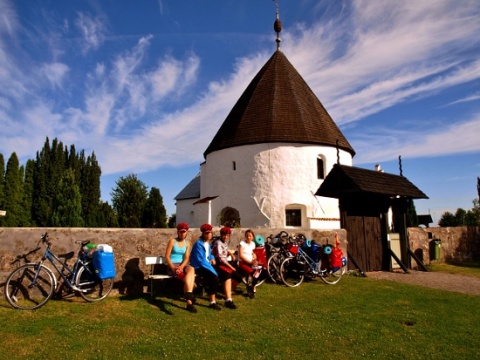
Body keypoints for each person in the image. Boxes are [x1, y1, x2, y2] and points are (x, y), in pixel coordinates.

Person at [165, 222, 197, 313]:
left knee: (191, 269)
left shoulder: (187, 243)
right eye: (181, 232)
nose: (182, 233)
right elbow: (167, 256)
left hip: (182, 264)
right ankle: (189, 303)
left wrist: (182, 267)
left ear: (187, 232)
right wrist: (173, 267)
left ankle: (188, 294)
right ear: (178, 232)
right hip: (173, 264)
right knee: (190, 280)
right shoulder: (172, 241)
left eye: (184, 232)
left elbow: (187, 258)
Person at [189, 223, 221, 310]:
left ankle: (202, 284)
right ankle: (212, 302)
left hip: (206, 265)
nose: (208, 235)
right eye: (206, 233)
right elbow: (201, 261)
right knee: (214, 277)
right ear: (203, 234)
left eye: (210, 233)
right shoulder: (198, 244)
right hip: (198, 267)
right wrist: (212, 269)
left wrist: (212, 258)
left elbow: (209, 254)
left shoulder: (208, 244)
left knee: (222, 273)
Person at [212, 226, 245, 309]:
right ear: (221, 234)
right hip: (218, 264)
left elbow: (225, 250)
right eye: (224, 235)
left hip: (224, 263)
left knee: (239, 276)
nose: (226, 237)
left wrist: (230, 253)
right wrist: (230, 266)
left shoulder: (224, 243)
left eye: (227, 235)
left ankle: (226, 291)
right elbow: (220, 258)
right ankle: (228, 299)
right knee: (228, 275)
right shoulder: (218, 243)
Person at [238, 229, 260, 298]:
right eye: (247, 236)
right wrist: (250, 262)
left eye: (250, 236)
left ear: (253, 237)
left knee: (257, 272)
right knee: (251, 272)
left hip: (251, 262)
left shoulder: (253, 244)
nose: (248, 237)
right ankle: (250, 289)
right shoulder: (242, 243)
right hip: (243, 262)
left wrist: (255, 259)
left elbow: (253, 253)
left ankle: (253, 287)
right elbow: (241, 255)